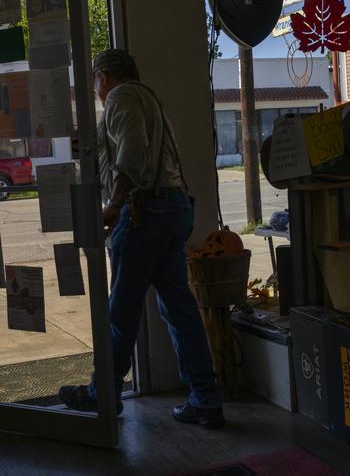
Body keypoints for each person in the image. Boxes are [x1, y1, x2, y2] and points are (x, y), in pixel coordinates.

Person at [58, 49, 225, 429]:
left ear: (105, 75)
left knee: (120, 312)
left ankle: (103, 395)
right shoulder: (149, 98)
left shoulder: (121, 97)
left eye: (95, 80)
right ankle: (206, 398)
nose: (97, 90)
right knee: (179, 308)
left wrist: (114, 205)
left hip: (143, 212)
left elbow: (131, 150)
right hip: (173, 206)